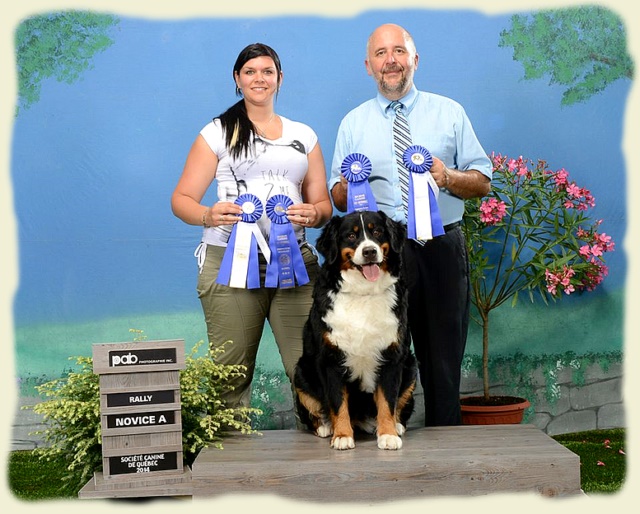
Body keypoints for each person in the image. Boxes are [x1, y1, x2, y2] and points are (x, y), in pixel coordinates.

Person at [329, 24, 492, 426]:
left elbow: (483, 182)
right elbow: (336, 195)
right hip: (380, 257)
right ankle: (378, 436)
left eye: (399, 51)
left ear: (414, 60)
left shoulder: (450, 112)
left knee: (442, 357)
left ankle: (446, 446)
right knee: (377, 347)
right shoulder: (353, 123)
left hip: (439, 247)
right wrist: (351, 187)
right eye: (381, 54)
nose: (391, 61)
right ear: (368, 66)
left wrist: (446, 176)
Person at [171, 43, 332, 411]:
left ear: (279, 78)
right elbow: (181, 199)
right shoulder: (216, 132)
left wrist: (315, 215)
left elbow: (322, 204)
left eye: (267, 71)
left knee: (311, 368)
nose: (259, 78)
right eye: (250, 72)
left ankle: (320, 458)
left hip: (295, 267)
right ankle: (228, 464)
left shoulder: (304, 136)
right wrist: (208, 215)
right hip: (230, 264)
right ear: (237, 80)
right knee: (231, 375)